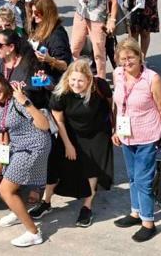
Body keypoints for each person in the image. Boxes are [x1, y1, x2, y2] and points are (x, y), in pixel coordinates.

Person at [31, 59, 113, 228]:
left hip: (97, 134)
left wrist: (116, 128)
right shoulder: (60, 94)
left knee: (92, 169)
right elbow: (59, 121)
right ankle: (46, 201)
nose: (76, 84)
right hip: (69, 132)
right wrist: (68, 144)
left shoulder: (100, 87)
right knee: (55, 168)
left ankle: (87, 207)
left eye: (81, 80)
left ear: (89, 80)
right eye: (73, 79)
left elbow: (112, 105)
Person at [112, 40, 161, 242]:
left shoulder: (151, 79)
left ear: (140, 57)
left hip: (148, 136)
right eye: (122, 58)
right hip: (126, 135)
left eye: (131, 57)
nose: (127, 62)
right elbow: (117, 105)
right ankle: (135, 213)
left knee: (143, 181)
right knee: (131, 177)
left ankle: (148, 222)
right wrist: (115, 129)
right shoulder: (118, 75)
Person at [0, 71, 51, 247]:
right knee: (5, 181)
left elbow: (44, 125)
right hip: (18, 147)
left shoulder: (17, 99)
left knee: (7, 189)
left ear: (3, 83)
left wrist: (24, 101)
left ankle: (33, 233)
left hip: (34, 146)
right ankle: (18, 211)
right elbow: (3, 142)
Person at [27, 0, 73, 85]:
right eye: (32, 12)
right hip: (36, 74)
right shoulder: (36, 25)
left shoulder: (57, 35)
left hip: (49, 80)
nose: (33, 16)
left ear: (47, 12)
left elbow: (64, 65)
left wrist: (49, 60)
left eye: (37, 13)